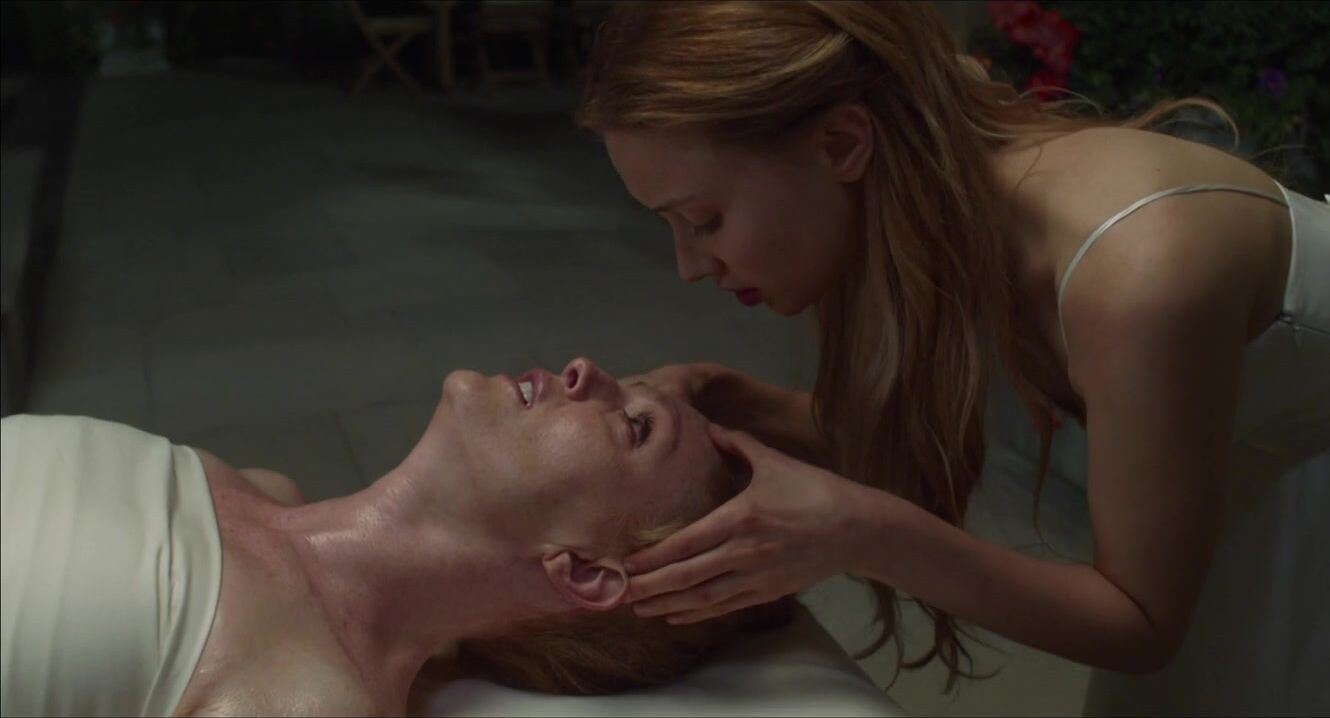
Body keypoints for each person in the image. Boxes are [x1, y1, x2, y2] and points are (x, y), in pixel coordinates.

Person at [575, 1, 1330, 715]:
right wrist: (736, 402)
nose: (689, 266)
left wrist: (861, 531)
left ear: (842, 144)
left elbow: (1139, 625)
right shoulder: (937, 203)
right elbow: (910, 430)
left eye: (703, 219)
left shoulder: (1137, 276)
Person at [0, 357, 792, 717]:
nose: (587, 370)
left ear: (583, 571)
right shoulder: (256, 489)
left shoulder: (305, 698)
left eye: (634, 426)